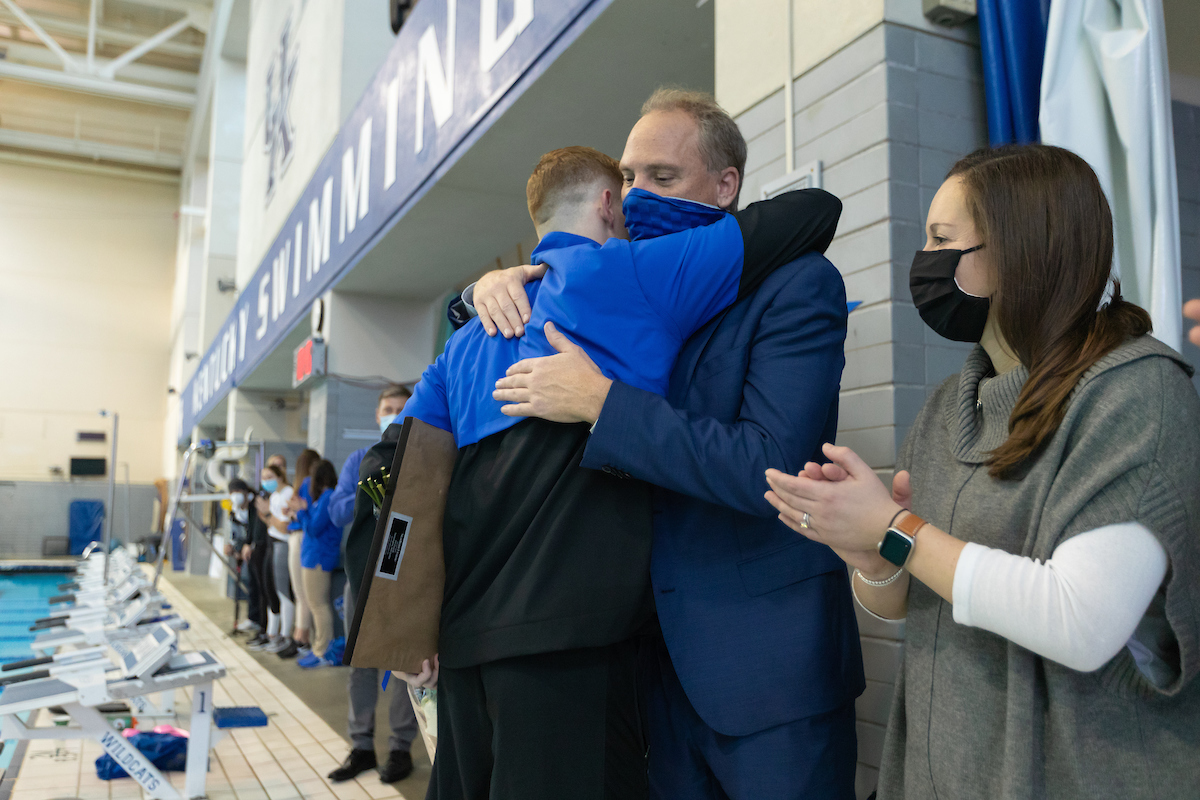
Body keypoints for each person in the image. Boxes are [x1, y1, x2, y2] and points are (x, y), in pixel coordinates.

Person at [400, 139, 841, 800]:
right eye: (630, 184)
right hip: (564, 649)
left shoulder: (461, 345)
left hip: (462, 653)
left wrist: (397, 617)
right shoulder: (628, 275)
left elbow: (382, 480)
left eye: (658, 176)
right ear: (610, 205)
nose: (639, 199)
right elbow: (812, 212)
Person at [764, 144, 1200, 800]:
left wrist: (896, 527)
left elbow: (1081, 622)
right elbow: (910, 598)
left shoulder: (1137, 394)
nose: (926, 261)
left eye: (943, 239)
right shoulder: (950, 406)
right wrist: (872, 554)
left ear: (1021, 250)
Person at [327, 384, 420, 785]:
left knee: (404, 659)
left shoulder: (422, 454)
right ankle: (361, 745)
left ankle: (401, 747)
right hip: (361, 573)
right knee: (360, 662)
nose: (394, 414)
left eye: (402, 408)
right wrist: (373, 495)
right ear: (376, 414)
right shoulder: (358, 460)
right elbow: (335, 511)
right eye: (388, 408)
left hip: (404, 573)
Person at [290, 459, 342, 669]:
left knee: (318, 605)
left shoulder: (329, 497)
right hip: (312, 557)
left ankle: (322, 651)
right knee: (314, 604)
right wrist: (303, 509)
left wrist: (301, 511)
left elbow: (313, 528)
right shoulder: (322, 498)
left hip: (319, 558)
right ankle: (317, 647)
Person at [255, 463, 297, 656]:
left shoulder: (288, 493)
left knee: (283, 591)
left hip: (283, 544)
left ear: (280, 476)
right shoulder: (275, 495)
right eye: (263, 477)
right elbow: (272, 523)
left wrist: (268, 514)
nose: (266, 481)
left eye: (270, 476)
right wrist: (265, 514)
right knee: (269, 587)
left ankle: (286, 636)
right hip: (273, 542)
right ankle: (273, 634)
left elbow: (284, 527)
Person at [286, 448, 321, 656]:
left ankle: (301, 637)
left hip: (299, 537)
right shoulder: (307, 484)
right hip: (299, 537)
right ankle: (300, 636)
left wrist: (295, 512)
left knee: (302, 593)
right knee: (301, 593)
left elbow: (305, 513)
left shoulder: (305, 484)